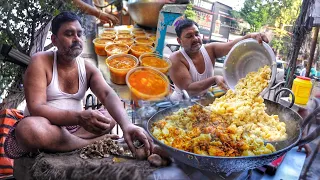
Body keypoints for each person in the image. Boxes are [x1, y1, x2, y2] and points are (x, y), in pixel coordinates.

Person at [4, 12, 152, 159]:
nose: (77, 39)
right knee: (27, 129)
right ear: (54, 40)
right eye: (69, 34)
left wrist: (127, 125)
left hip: (78, 130)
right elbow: (37, 108)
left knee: (111, 114)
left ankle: (70, 142)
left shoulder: (87, 68)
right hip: (47, 128)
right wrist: (79, 117)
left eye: (79, 34)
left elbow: (107, 94)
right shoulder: (40, 61)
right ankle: (86, 143)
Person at [169, 18, 269, 101]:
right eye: (189, 36)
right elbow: (189, 89)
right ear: (179, 41)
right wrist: (214, 79)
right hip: (179, 105)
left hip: (202, 102)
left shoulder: (210, 49)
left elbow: (231, 46)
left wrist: (250, 36)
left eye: (197, 34)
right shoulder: (176, 59)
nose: (195, 38)